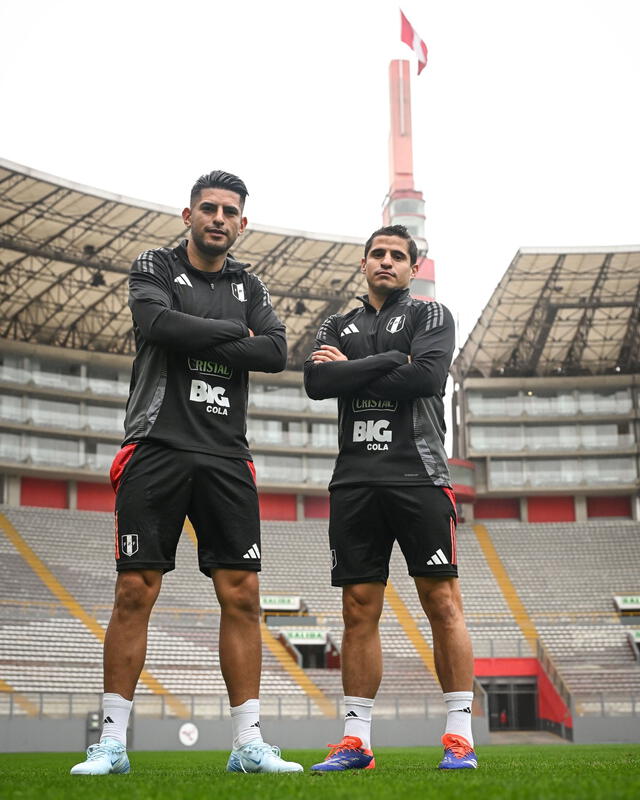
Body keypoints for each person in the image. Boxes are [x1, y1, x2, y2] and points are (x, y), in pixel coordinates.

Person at [71, 170, 302, 775]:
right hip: (156, 444)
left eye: (230, 211)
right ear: (188, 215)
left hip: (227, 454)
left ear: (242, 223)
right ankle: (112, 745)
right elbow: (158, 326)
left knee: (243, 595)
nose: (219, 218)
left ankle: (249, 744)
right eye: (209, 208)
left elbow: (276, 352)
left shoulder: (249, 284)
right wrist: (234, 334)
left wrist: (202, 336)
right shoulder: (154, 265)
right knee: (134, 591)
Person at [304, 224, 477, 772]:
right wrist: (386, 362)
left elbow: (426, 379)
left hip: (419, 475)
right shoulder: (338, 322)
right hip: (354, 479)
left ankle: (459, 737)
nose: (386, 262)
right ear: (363, 264)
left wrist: (349, 374)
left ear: (412, 266)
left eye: (397, 255)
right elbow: (315, 384)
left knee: (442, 603)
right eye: (377, 254)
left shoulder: (431, 315)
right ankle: (356, 743)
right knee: (358, 609)